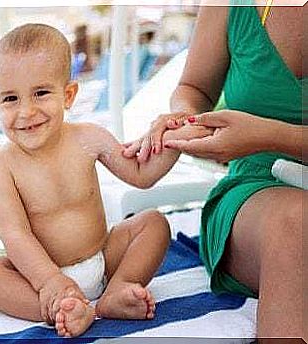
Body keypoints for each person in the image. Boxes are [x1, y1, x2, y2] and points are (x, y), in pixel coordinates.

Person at [0, 23, 214, 338]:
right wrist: (50, 282)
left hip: (104, 259)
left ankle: (118, 289)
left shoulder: (90, 138)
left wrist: (176, 139)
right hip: (40, 277)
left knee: (153, 224)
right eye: (10, 99)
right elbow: (15, 235)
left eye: (41, 93)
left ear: (68, 95)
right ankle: (59, 309)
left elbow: (141, 174)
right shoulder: (1, 164)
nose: (26, 111)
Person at [123, 5, 304, 340]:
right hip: (257, 193)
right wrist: (186, 119)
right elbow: (195, 88)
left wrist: (272, 135)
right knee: (297, 222)